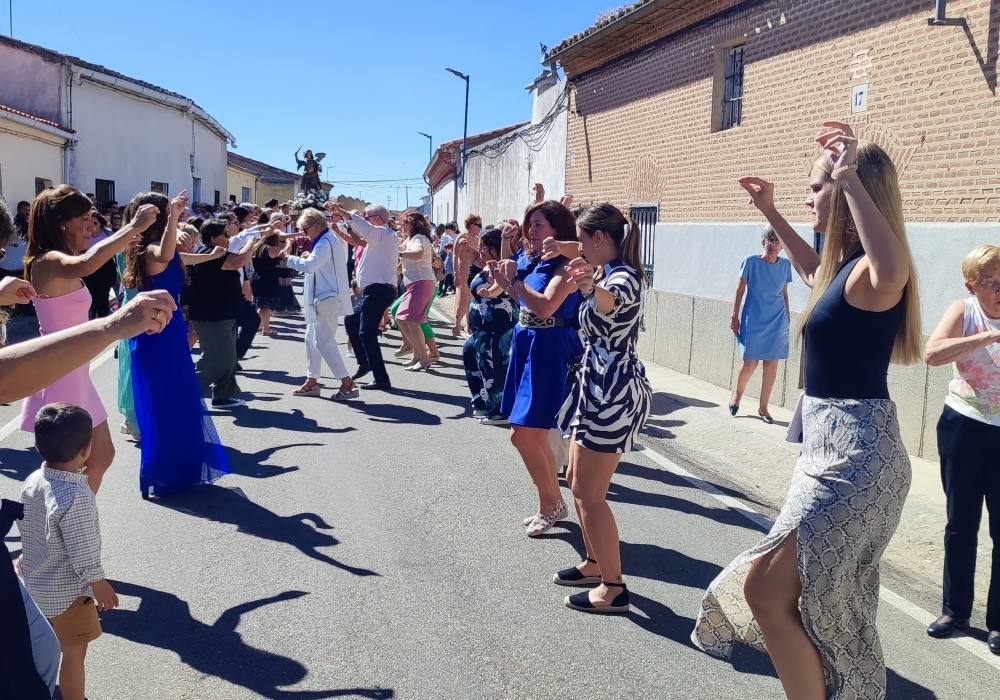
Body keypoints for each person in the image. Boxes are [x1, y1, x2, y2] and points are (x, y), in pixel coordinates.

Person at [693, 122, 922, 699]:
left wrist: (846, 175)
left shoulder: (876, 274)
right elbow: (805, 264)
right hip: (831, 452)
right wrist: (770, 211)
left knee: (769, 592)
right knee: (788, 596)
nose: (808, 196)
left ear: (848, 193)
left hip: (858, 459)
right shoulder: (842, 270)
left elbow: (895, 266)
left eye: (814, 188)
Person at [20, 185, 156, 493]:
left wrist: (123, 238)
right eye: (83, 218)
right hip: (61, 371)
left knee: (101, 456)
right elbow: (87, 264)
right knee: (69, 469)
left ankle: (74, 522)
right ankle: (62, 528)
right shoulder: (48, 261)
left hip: (75, 370)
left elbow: (90, 259)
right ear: (61, 223)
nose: (91, 225)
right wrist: (132, 226)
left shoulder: (57, 260)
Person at [552, 203, 652, 615]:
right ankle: (595, 563)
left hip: (612, 393)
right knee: (576, 480)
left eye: (583, 239)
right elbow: (599, 290)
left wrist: (593, 290)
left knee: (590, 494)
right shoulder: (607, 268)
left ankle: (614, 587)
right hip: (593, 387)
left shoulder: (621, 277)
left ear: (600, 239)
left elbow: (611, 303)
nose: (579, 249)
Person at [122, 191, 231, 498]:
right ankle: (165, 472)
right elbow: (168, 255)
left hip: (170, 335)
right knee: (164, 404)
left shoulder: (162, 252)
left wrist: (212, 254)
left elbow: (186, 258)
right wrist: (174, 217)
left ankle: (182, 469)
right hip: (155, 338)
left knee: (180, 401)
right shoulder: (151, 252)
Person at [924, 244, 1000, 654]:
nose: (999, 287)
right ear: (972, 285)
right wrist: (988, 334)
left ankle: (999, 623)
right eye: (990, 281)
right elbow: (931, 354)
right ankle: (955, 611)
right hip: (964, 427)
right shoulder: (965, 311)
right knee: (960, 524)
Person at [492, 201, 583, 537]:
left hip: (548, 346)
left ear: (557, 228)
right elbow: (512, 283)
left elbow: (545, 305)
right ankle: (552, 503)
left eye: (540, 224)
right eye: (531, 224)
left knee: (522, 434)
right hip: (527, 343)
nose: (532, 231)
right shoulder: (536, 259)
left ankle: (550, 505)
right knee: (531, 433)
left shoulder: (568, 265)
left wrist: (515, 284)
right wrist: (507, 265)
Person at [18, 403, 119, 700]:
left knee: (41, 648)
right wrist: (98, 582)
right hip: (70, 594)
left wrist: (26, 554)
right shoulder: (76, 495)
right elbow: (82, 547)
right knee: (74, 653)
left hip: (36, 586)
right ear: (86, 450)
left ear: (38, 445)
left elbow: (29, 524)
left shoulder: (34, 481)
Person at [285, 207, 358, 401]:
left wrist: (288, 258)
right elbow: (317, 263)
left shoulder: (325, 241)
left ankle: (347, 383)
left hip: (326, 298)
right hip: (323, 298)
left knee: (323, 341)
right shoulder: (326, 240)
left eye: (306, 229)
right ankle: (312, 381)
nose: (305, 234)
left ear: (316, 226)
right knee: (311, 339)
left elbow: (310, 266)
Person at [186, 218, 254, 409]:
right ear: (213, 238)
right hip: (212, 316)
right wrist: (251, 241)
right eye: (224, 234)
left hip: (222, 314)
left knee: (230, 358)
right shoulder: (211, 253)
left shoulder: (214, 253)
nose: (228, 237)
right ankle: (185, 391)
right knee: (218, 359)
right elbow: (240, 260)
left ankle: (224, 395)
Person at [728, 226, 793, 423]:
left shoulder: (785, 265)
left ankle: (763, 408)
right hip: (753, 319)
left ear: (782, 246)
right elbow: (739, 290)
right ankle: (737, 395)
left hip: (777, 321)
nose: (773, 244)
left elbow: (784, 293)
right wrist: (734, 316)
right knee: (749, 363)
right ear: (763, 241)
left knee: (772, 366)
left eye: (777, 241)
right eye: (770, 240)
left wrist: (787, 318)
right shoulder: (750, 262)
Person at [333, 203, 399, 391]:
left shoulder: (383, 234)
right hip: (373, 290)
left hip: (380, 289)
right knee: (351, 320)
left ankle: (381, 378)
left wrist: (344, 214)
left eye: (367, 216)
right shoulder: (377, 237)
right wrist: (340, 227)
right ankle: (365, 362)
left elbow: (364, 228)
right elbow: (358, 239)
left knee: (366, 332)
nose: (365, 219)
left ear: (377, 218)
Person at [463, 228, 517, 425]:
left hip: (498, 325)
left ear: (496, 248)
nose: (482, 250)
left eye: (485, 246)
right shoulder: (485, 267)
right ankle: (482, 402)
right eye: (480, 246)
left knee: (494, 364)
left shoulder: (503, 267)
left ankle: (499, 410)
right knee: (470, 353)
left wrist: (491, 291)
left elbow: (500, 286)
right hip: (481, 327)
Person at [394, 210, 437, 371]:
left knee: (412, 320)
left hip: (421, 282)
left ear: (415, 224)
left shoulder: (419, 238)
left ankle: (424, 359)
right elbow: (398, 252)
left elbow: (418, 254)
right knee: (400, 317)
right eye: (402, 222)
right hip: (415, 283)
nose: (402, 225)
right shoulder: (409, 239)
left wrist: (399, 252)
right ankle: (417, 354)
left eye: (406, 222)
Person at [252, 226, 298, 336]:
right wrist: (289, 243)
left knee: (261, 304)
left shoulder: (257, 247)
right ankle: (266, 328)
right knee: (267, 305)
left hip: (257, 277)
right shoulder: (271, 249)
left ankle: (260, 325)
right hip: (268, 278)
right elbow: (285, 253)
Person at [82, 211, 120, 319]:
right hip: (90, 269)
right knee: (91, 296)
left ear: (100, 224)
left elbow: (115, 249)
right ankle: (91, 318)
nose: (92, 227)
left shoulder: (108, 233)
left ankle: (103, 319)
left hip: (105, 268)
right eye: (89, 223)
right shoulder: (85, 235)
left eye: (95, 223)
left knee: (103, 296)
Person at [452, 214, 483, 336]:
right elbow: (455, 257)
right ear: (471, 226)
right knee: (464, 297)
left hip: (474, 271)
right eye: (478, 225)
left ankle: (468, 326)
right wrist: (456, 274)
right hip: (463, 271)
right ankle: (457, 324)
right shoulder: (462, 237)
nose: (481, 227)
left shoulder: (477, 238)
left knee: (471, 297)